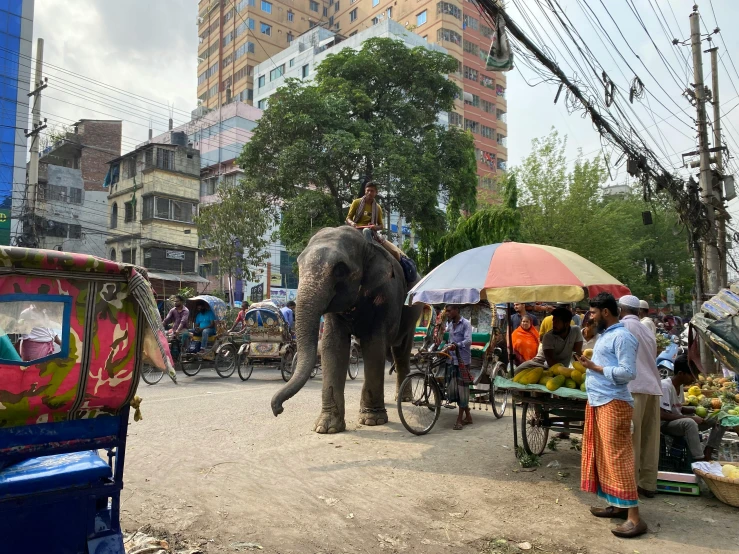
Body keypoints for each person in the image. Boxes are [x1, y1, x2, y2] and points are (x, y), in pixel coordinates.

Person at [576, 292, 646, 539]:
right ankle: (618, 506)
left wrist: (595, 367)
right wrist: (589, 364)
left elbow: (628, 372)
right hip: (600, 401)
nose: (590, 316)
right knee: (605, 457)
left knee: (618, 458)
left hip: (613, 403)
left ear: (605, 312)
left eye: (593, 312)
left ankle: (635, 519)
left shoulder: (623, 336)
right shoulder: (607, 335)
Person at [619, 295, 662, 498]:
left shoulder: (622, 328)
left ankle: (630, 487)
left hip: (634, 387)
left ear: (621, 310)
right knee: (649, 440)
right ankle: (648, 484)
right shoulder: (647, 329)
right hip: (652, 387)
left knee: (632, 440)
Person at [660, 355, 735, 461]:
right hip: (665, 424)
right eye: (692, 374)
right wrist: (691, 418)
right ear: (681, 373)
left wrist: (695, 410)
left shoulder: (680, 385)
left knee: (721, 416)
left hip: (678, 420)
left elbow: (678, 408)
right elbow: (661, 415)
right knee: (690, 423)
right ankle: (699, 459)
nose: (695, 378)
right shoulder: (665, 386)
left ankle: (708, 451)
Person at [514, 308, 583, 373]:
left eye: (557, 322)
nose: (554, 324)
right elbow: (550, 361)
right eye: (553, 321)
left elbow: (577, 353)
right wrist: (565, 371)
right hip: (541, 364)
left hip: (562, 368)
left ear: (567, 324)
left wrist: (582, 369)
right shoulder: (548, 336)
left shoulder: (576, 331)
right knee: (517, 370)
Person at [443, 305, 473, 431]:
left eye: (449, 311)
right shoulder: (450, 325)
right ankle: (469, 417)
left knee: (462, 391)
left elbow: (468, 340)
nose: (447, 313)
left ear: (456, 310)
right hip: (452, 360)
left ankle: (459, 420)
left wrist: (457, 345)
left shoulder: (466, 323)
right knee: (455, 390)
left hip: (463, 361)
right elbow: (448, 339)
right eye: (446, 311)